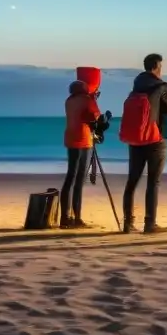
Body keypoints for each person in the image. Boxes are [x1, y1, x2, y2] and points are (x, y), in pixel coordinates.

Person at [120, 53, 167, 233]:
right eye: (160, 67)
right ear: (156, 67)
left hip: (136, 138)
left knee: (132, 180)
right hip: (156, 138)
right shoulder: (162, 86)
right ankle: (149, 223)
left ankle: (128, 223)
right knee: (153, 181)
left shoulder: (135, 88)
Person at [60, 78, 101, 228]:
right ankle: (77, 217)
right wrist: (93, 99)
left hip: (71, 138)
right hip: (84, 140)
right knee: (79, 180)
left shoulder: (69, 101)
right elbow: (95, 117)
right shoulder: (86, 99)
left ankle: (65, 217)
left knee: (70, 177)